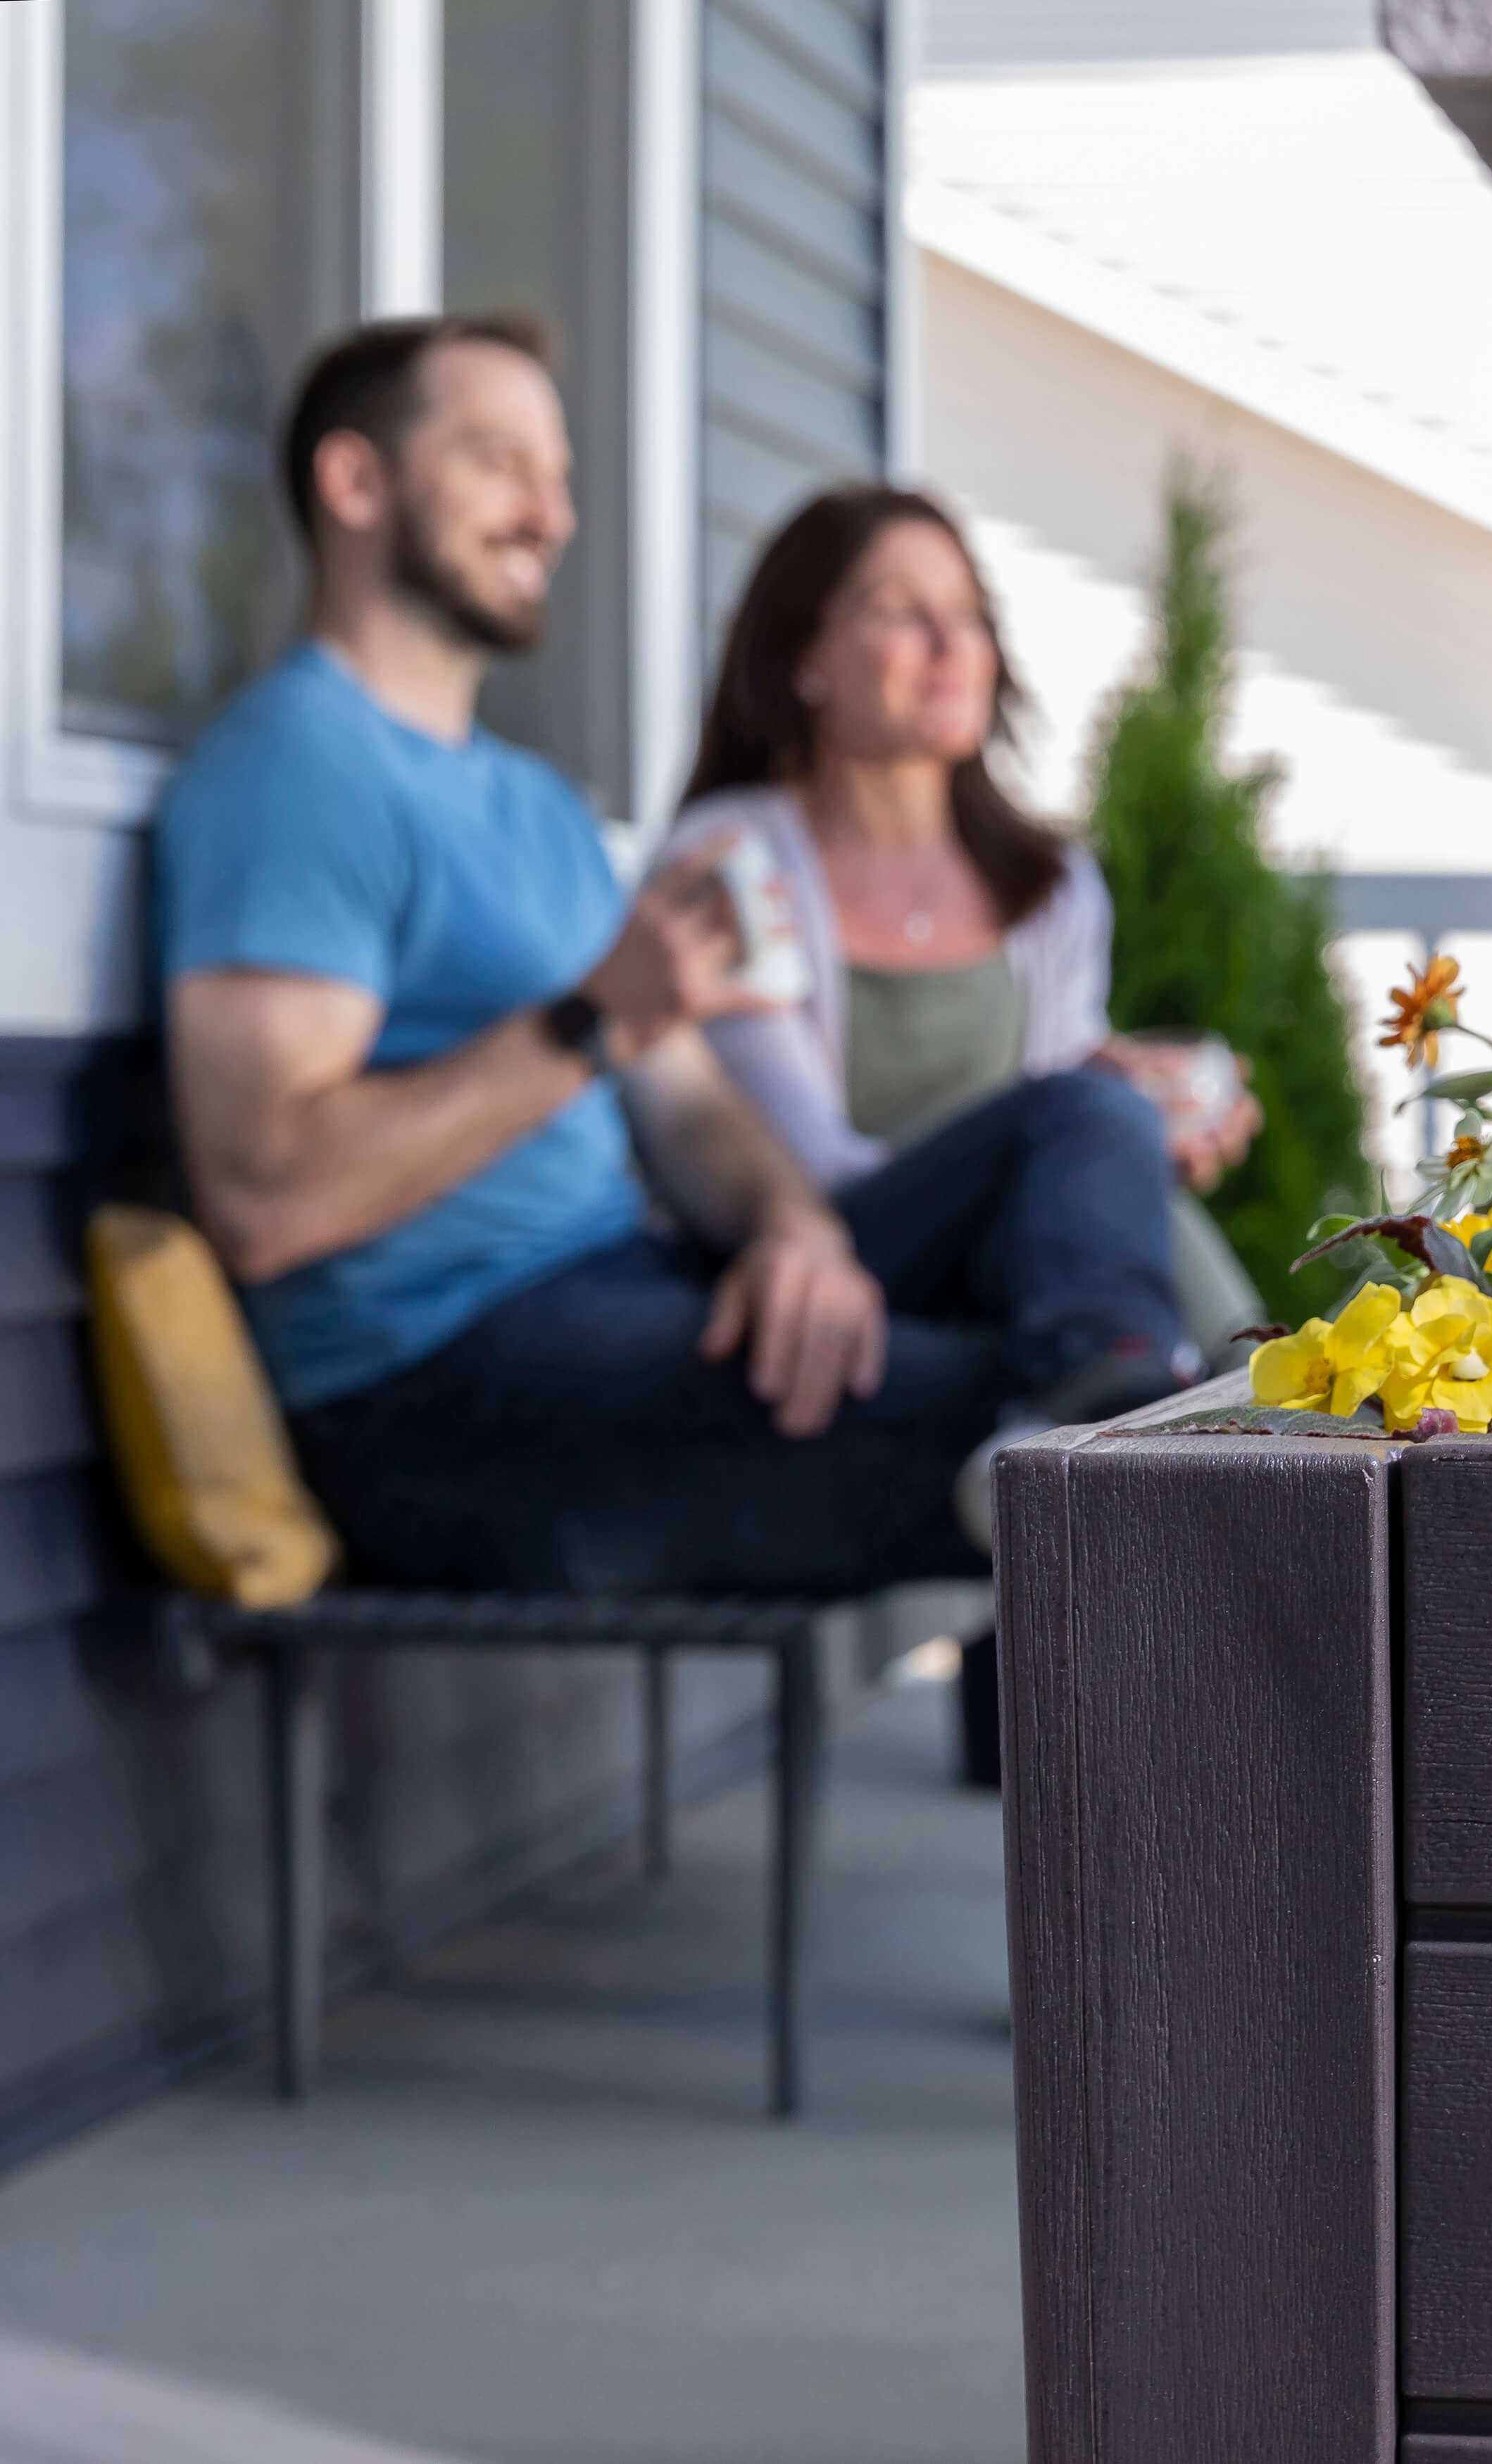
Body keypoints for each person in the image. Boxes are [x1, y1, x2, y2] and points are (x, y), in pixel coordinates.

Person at [154, 313, 1187, 1600]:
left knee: (1084, 1123)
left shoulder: (534, 805)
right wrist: (583, 1026)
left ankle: (1117, 1418)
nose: (551, 513)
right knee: (1091, 1439)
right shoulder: (295, 772)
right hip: (443, 1398)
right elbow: (262, 1202)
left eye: (560, 475)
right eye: (498, 462)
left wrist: (792, 1227)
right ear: (357, 483)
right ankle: (1125, 1465)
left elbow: (687, 1102)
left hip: (630, 1295)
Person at [663, 485, 1265, 1368]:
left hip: (1008, 1249)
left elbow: (1053, 1101)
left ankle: (1258, 1400)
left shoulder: (1052, 883)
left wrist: (1137, 1116)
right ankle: (1225, 1405)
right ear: (806, 658)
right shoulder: (728, 862)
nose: (951, 647)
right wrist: (1071, 1128)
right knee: (1093, 1134)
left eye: (971, 615)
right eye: (902, 613)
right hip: (832, 1242)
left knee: (1115, 1146)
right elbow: (807, 1164)